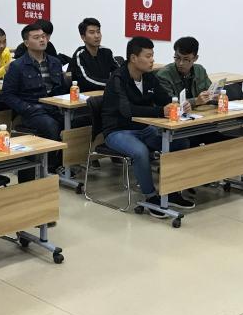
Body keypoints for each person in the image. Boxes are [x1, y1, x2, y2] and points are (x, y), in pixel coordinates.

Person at [101, 37, 193, 214]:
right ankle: (151, 197)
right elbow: (126, 110)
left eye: (152, 55)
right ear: (133, 58)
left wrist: (179, 105)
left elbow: (165, 99)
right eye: (148, 56)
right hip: (117, 131)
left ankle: (171, 191)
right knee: (140, 152)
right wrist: (160, 111)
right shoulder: (117, 78)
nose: (152, 60)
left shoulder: (149, 77)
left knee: (181, 143)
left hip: (144, 128)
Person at [1, 21, 68, 176]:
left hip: (54, 107)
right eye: (36, 37)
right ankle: (49, 167)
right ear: (26, 43)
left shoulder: (55, 62)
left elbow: (62, 90)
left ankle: (64, 162)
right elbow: (7, 95)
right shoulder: (18, 66)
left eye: (43, 36)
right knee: (51, 126)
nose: (42, 40)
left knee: (77, 123)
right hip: (32, 110)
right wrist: (27, 108)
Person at [155, 36, 215, 108]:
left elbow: (209, 94)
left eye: (186, 59)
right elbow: (170, 103)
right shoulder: (163, 75)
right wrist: (195, 101)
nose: (181, 63)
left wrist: (216, 98)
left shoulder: (200, 70)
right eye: (177, 58)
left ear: (195, 58)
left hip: (198, 112)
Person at [71, 17, 118, 92]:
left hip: (105, 93)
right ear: (83, 37)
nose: (97, 36)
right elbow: (86, 80)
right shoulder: (79, 55)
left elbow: (119, 72)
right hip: (85, 95)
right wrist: (111, 84)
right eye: (92, 32)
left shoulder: (107, 52)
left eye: (98, 32)